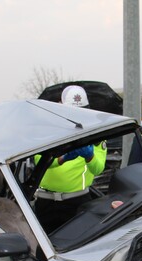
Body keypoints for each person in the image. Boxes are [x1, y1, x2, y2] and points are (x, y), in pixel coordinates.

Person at [34, 85, 107, 232]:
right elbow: (39, 161)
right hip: (45, 202)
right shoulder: (48, 131)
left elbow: (98, 168)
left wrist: (90, 156)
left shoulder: (96, 135)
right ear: (60, 106)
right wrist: (63, 158)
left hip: (77, 202)